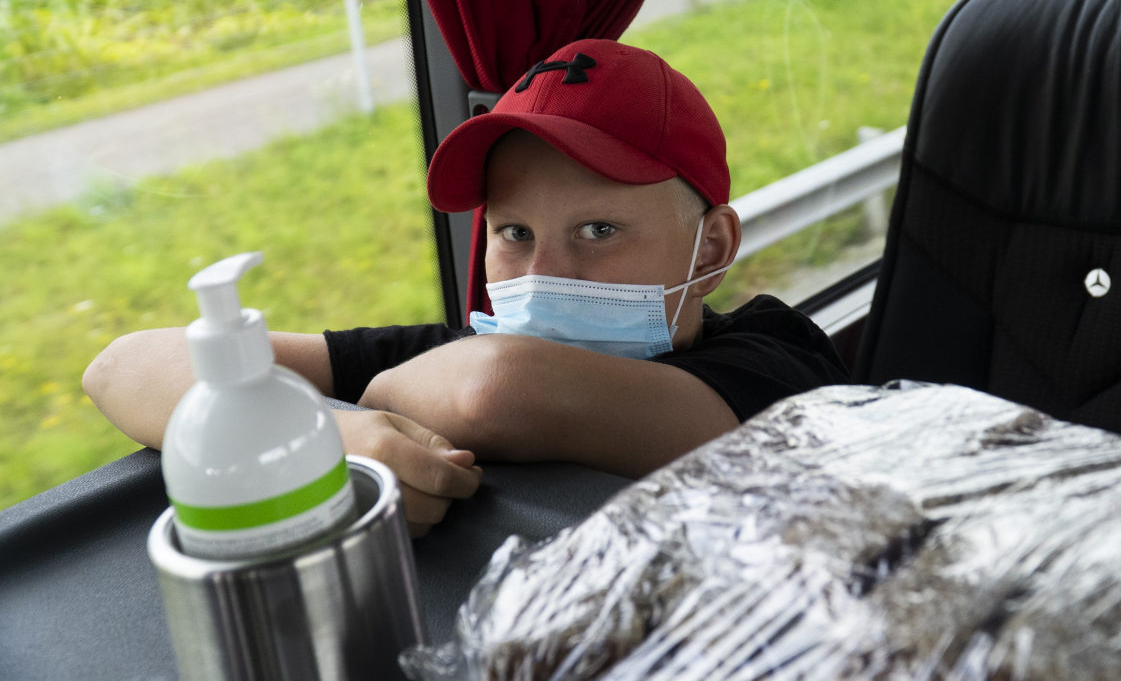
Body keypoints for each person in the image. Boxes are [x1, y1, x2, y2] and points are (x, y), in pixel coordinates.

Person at [84, 39, 850, 535]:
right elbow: (122, 365)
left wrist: (348, 406)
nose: (543, 274)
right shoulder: (446, 357)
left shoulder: (776, 360)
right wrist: (342, 442)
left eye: (598, 230)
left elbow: (499, 388)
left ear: (711, 247)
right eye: (514, 233)